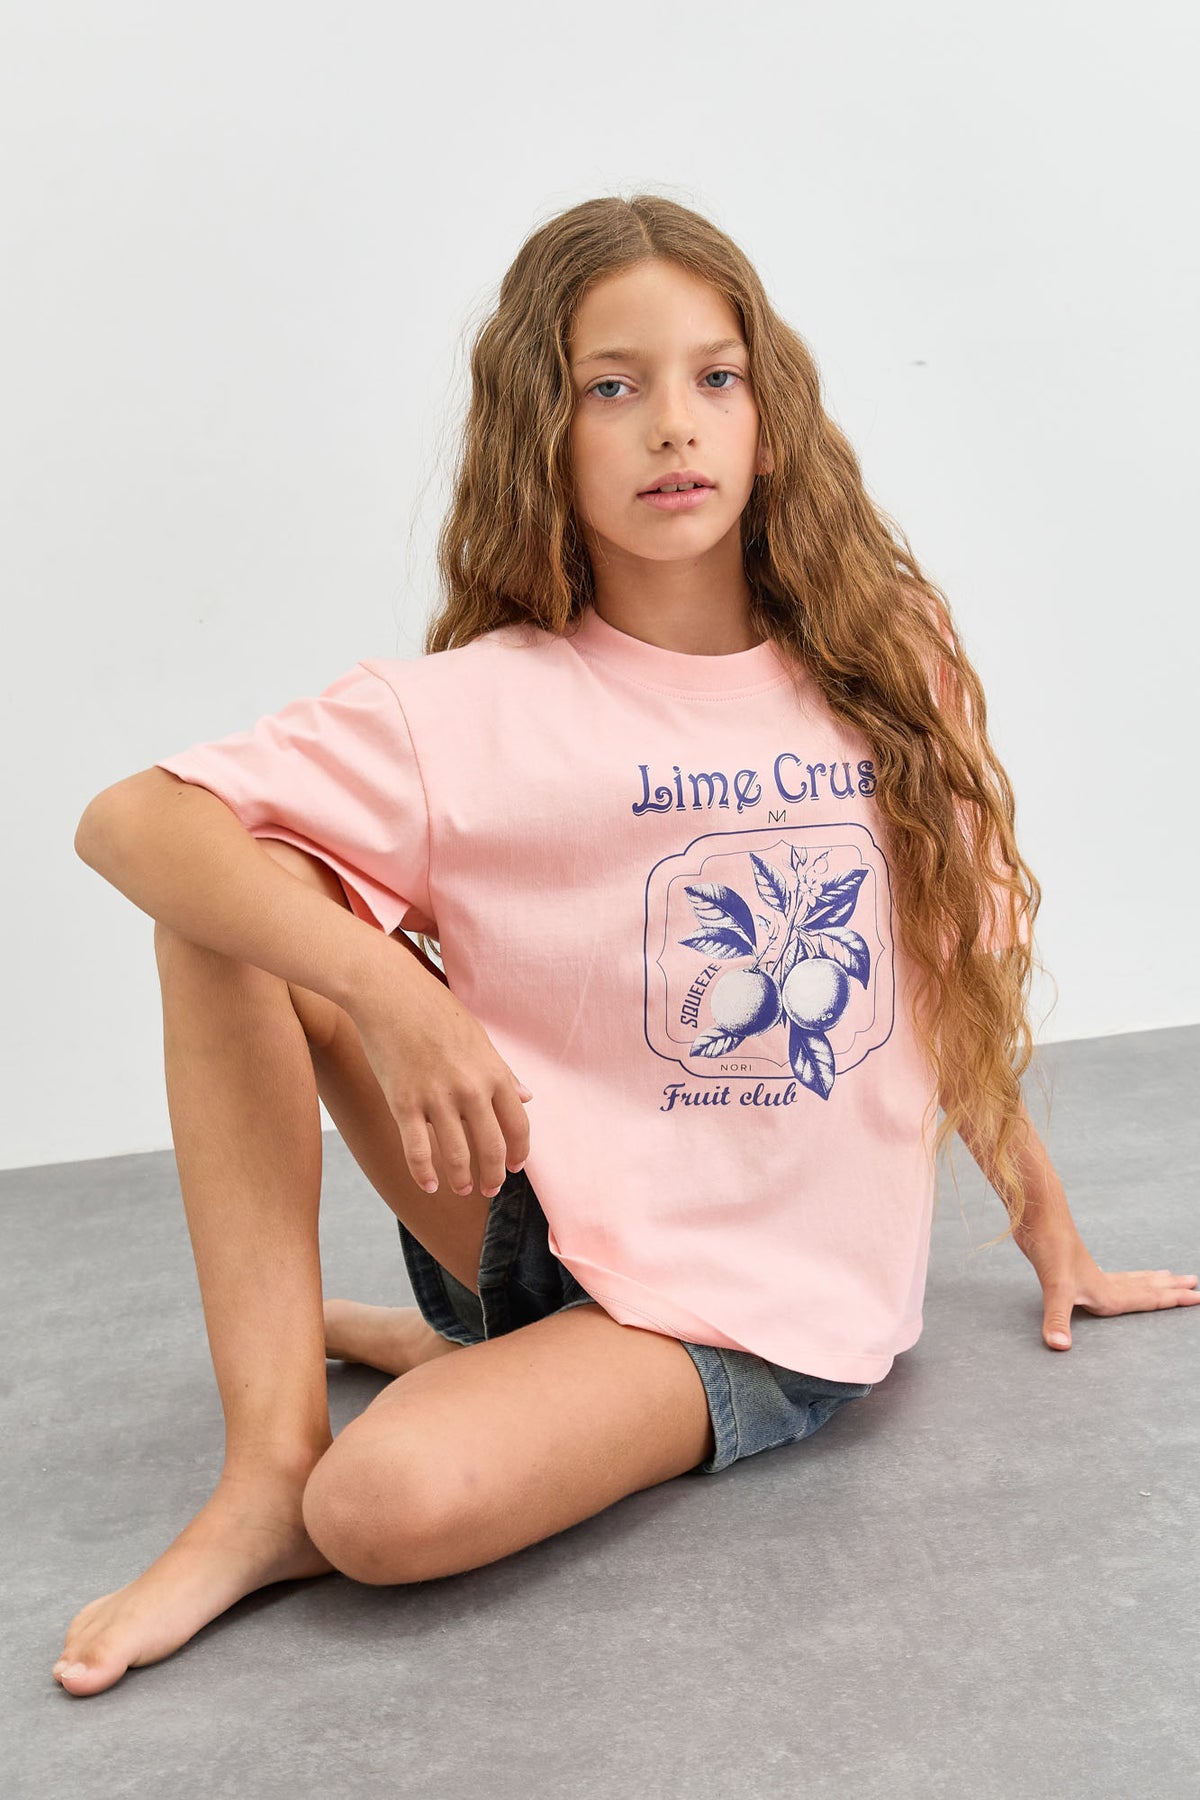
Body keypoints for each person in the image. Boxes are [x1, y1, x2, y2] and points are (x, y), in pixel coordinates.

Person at [56, 194, 1199, 1698]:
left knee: (379, 1508)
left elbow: (949, 969)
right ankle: (268, 1468)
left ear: (770, 421)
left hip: (753, 1303)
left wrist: (1051, 1229)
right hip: (536, 1217)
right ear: (543, 434)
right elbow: (130, 821)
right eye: (614, 386)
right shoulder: (481, 705)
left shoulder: (885, 661)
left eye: (715, 377)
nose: (674, 423)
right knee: (230, 896)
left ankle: (462, 1377)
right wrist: (394, 992)